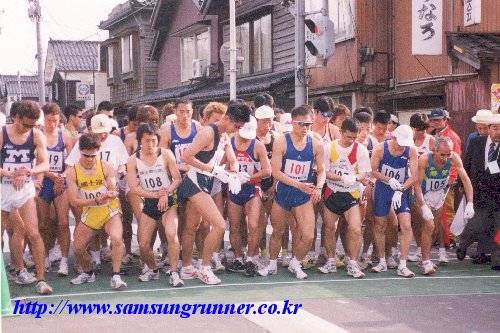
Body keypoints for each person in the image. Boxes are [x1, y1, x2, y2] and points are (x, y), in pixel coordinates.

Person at [177, 100, 250, 285]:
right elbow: (186, 157)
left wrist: (233, 174)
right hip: (195, 181)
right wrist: (212, 170)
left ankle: (186, 267)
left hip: (207, 182)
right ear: (227, 118)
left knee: (192, 226)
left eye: (240, 127)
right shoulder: (208, 132)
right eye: (236, 125)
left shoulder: (225, 135)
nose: (237, 130)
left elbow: (232, 160)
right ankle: (205, 267)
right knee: (218, 225)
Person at [258, 104, 325, 279]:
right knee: (278, 232)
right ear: (293, 123)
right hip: (285, 193)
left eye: (308, 124)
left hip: (303, 194)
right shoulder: (282, 141)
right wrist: (298, 184)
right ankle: (272, 264)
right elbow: (276, 172)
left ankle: (295, 263)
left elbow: (322, 170)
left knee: (308, 235)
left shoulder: (316, 144)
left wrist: (318, 187)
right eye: (301, 124)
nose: (305, 128)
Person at [0, 100, 52, 294]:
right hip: (3, 187)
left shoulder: (37, 135)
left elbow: (45, 164)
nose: (29, 128)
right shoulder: (3, 133)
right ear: (16, 118)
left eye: (33, 125)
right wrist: (11, 174)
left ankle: (41, 279)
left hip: (24, 189)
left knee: (33, 232)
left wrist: (28, 172)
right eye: (26, 125)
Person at [66, 132, 126, 288]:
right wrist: (94, 200)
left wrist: (112, 193)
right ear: (80, 151)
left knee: (116, 238)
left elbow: (113, 189)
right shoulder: (73, 172)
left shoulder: (105, 166)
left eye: (93, 156)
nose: (90, 159)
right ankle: (88, 272)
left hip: (108, 210)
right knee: (78, 248)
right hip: (91, 211)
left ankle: (116, 275)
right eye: (87, 156)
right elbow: (73, 200)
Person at [127, 123, 184, 286]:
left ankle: (174, 272)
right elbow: (133, 187)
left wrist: (165, 193)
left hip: (168, 200)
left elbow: (178, 179)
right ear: (140, 141)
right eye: (146, 141)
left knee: (172, 233)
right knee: (144, 244)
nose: (150, 145)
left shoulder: (166, 155)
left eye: (153, 141)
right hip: (151, 201)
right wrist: (155, 195)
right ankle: (153, 269)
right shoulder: (133, 160)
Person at [320, 118, 371, 278]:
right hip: (332, 192)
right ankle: (330, 261)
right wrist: (341, 178)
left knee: (355, 228)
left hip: (351, 193)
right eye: (348, 137)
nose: (351, 141)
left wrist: (355, 177)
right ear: (341, 132)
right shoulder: (329, 148)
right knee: (329, 228)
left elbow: (364, 172)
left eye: (354, 138)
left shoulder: (360, 150)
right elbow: (324, 172)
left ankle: (353, 264)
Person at [414, 137, 474, 274]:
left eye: (449, 154)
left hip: (439, 194)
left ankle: (424, 257)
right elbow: (417, 184)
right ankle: (425, 262)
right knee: (428, 226)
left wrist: (470, 203)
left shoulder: (454, 158)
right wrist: (423, 205)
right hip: (423, 194)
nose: (445, 158)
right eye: (442, 154)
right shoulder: (425, 159)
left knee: (434, 229)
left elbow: (465, 179)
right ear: (434, 151)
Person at [370, 125, 419, 277]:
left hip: (401, 191)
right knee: (380, 224)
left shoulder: (411, 150)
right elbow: (372, 171)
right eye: (400, 143)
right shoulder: (380, 149)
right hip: (383, 190)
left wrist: (402, 189)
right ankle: (382, 261)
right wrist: (388, 179)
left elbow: (415, 175)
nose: (402, 146)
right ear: (393, 137)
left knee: (405, 225)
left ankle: (403, 265)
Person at [226, 116, 271, 276]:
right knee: (235, 225)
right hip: (234, 188)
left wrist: (249, 177)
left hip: (252, 188)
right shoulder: (229, 142)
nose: (246, 139)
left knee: (253, 225)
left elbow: (268, 170)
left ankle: (251, 258)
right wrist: (232, 175)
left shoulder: (257, 145)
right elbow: (220, 165)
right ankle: (238, 258)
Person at [457, 113, 500, 271]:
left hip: (497, 193)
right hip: (478, 191)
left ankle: (497, 259)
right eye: (495, 128)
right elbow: (465, 164)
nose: (498, 132)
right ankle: (463, 244)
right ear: (489, 129)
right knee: (476, 225)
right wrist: (461, 183)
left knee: (498, 227)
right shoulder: (476, 143)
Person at [37, 103, 74, 276]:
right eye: (49, 121)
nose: (52, 124)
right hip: (43, 180)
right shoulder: (37, 136)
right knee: (43, 224)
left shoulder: (64, 136)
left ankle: (64, 261)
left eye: (55, 121)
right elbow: (34, 163)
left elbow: (72, 162)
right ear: (43, 119)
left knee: (63, 222)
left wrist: (63, 176)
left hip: (61, 181)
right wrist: (51, 175)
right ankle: (44, 256)